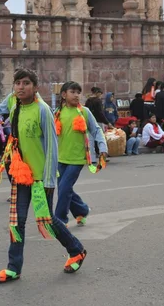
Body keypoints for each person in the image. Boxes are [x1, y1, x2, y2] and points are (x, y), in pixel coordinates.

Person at [0, 69, 86, 284]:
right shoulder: (15, 108)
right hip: (20, 175)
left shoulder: (43, 110)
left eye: (26, 83)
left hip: (41, 177)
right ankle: (14, 268)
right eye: (17, 83)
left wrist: (50, 179)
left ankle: (77, 250)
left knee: (48, 220)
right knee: (17, 222)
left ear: (35, 87)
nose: (21, 87)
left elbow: (52, 147)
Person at [54, 81, 107, 227]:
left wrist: (103, 148)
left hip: (77, 159)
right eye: (73, 92)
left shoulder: (84, 111)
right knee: (65, 189)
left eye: (78, 92)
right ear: (64, 95)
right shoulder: (57, 113)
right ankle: (82, 210)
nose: (76, 95)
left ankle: (59, 220)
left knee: (64, 188)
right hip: (60, 158)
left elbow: (96, 130)